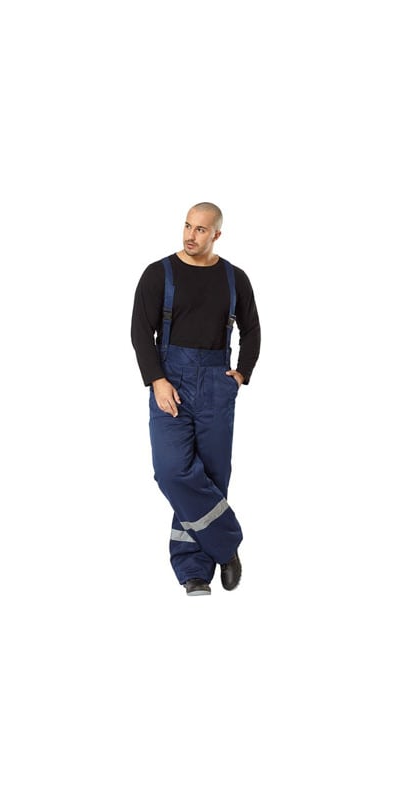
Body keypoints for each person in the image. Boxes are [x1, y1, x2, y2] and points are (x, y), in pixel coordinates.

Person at [130, 202, 261, 596]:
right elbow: (140, 332)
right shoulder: (159, 273)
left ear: (216, 234)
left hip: (217, 384)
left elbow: (252, 330)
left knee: (213, 475)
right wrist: (157, 379)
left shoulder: (235, 278)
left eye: (201, 229)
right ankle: (226, 544)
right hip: (171, 383)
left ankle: (195, 572)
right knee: (171, 471)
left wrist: (242, 373)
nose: (191, 235)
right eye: (188, 226)